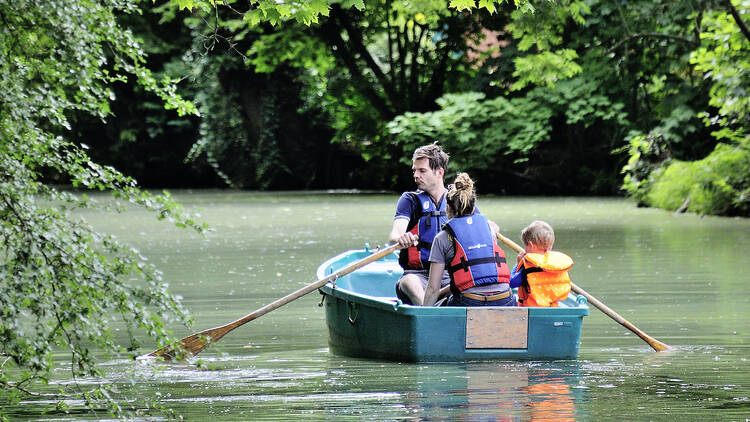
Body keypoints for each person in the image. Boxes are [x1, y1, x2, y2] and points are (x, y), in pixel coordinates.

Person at [423, 173, 515, 307]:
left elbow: (432, 289)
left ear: (447, 208)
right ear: (473, 208)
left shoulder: (442, 238)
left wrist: (423, 315)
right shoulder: (490, 229)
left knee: (438, 307)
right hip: (505, 298)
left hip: (469, 301)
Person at [388, 143, 451, 305]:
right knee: (408, 282)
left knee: (470, 281)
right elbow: (394, 237)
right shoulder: (409, 200)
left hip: (450, 274)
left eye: (422, 171)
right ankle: (428, 308)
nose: (416, 175)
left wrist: (491, 227)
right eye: (414, 170)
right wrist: (401, 238)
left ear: (439, 172)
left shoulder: (456, 198)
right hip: (418, 274)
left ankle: (437, 302)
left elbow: (477, 225)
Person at [509, 220, 573, 307]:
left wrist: (518, 264)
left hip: (533, 311)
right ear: (550, 246)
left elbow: (511, 282)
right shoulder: (555, 264)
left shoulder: (529, 267)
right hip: (553, 308)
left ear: (531, 245)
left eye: (526, 246)